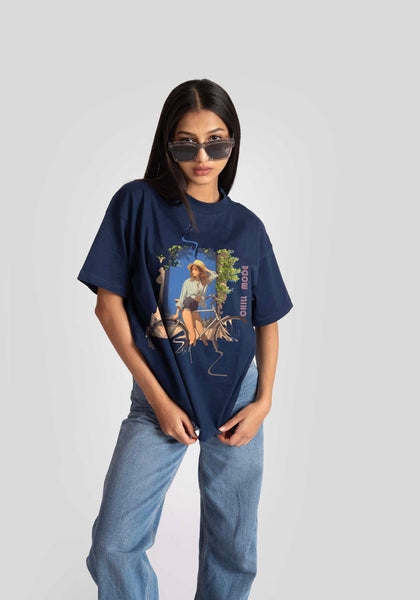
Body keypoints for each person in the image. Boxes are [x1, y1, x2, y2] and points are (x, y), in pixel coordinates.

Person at [77, 78, 293, 600]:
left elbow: (267, 319)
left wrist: (264, 400)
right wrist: (156, 398)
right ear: (167, 143)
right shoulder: (136, 203)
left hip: (238, 398)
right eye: (186, 144)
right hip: (159, 394)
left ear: (232, 143)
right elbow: (108, 307)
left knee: (233, 547)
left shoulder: (249, 227)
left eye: (216, 143)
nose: (202, 157)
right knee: (114, 544)